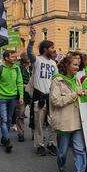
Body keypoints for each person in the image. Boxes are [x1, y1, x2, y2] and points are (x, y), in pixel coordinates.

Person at [49, 55, 87, 172]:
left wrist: (84, 93)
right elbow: (55, 101)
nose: (77, 67)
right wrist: (75, 94)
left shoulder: (77, 79)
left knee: (80, 149)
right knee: (62, 152)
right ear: (67, 65)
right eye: (74, 65)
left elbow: (79, 95)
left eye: (78, 65)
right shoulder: (57, 80)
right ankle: (62, 170)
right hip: (63, 123)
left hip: (78, 121)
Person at [27, 27, 58, 156]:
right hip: (39, 96)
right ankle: (39, 145)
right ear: (45, 49)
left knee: (54, 122)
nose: (54, 50)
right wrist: (32, 39)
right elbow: (29, 52)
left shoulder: (54, 63)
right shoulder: (37, 60)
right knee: (38, 123)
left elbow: (56, 80)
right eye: (51, 48)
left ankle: (52, 144)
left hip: (51, 97)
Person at [0, 50, 24, 153]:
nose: (15, 58)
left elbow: (20, 82)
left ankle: (4, 137)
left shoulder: (17, 68)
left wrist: (21, 96)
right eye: (13, 57)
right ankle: (7, 141)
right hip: (2, 98)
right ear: (6, 58)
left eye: (15, 57)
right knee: (3, 119)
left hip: (13, 98)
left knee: (8, 119)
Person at [13, 53, 32, 142]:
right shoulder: (18, 68)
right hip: (21, 95)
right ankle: (21, 134)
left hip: (33, 95)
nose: (29, 61)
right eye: (27, 58)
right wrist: (25, 86)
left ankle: (35, 134)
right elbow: (16, 81)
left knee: (34, 115)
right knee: (20, 115)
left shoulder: (33, 67)